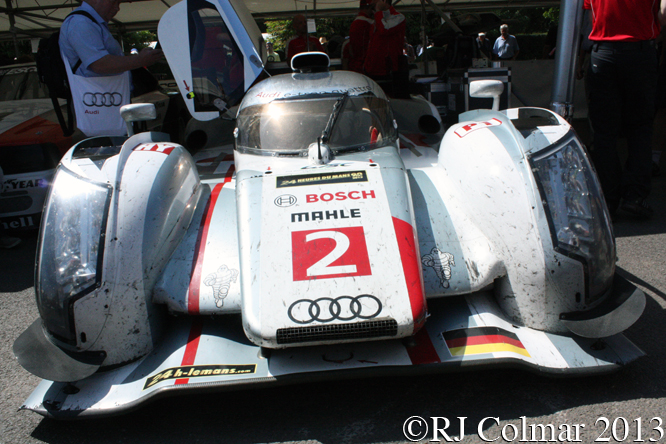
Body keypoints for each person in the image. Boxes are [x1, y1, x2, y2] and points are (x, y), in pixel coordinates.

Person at [584, 0, 664, 219]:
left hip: (603, 53)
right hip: (639, 52)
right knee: (640, 127)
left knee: (604, 132)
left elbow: (586, 15)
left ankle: (607, 199)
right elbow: (664, 12)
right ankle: (634, 196)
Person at [59, 0, 163, 137]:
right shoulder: (81, 23)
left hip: (105, 103)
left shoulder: (90, 23)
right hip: (100, 108)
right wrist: (140, 60)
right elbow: (99, 64)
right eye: (114, 2)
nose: (117, 8)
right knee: (107, 151)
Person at [364, 0, 407, 97]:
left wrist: (379, 12)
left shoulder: (398, 17)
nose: (373, 3)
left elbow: (384, 29)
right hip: (373, 68)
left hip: (389, 69)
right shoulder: (376, 19)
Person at [348, 0, 375, 73]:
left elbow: (350, 48)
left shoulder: (355, 22)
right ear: (369, 8)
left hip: (356, 65)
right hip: (365, 66)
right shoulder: (369, 23)